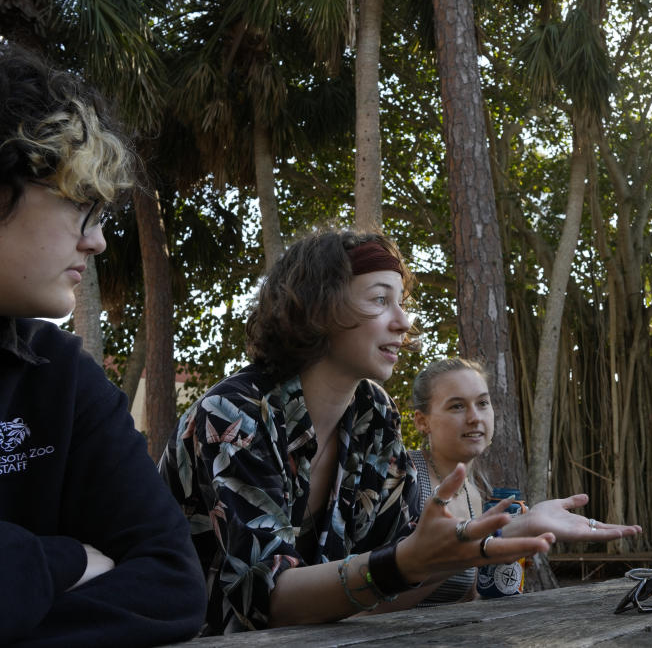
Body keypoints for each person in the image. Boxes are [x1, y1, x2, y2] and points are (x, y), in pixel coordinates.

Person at [0, 31, 206, 645]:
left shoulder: (56, 372)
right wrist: (61, 562)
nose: (96, 241)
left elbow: (173, 587)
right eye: (78, 203)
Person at [162, 227, 579, 634]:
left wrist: (493, 538)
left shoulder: (374, 414)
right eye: (381, 300)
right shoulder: (235, 414)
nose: (403, 322)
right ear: (318, 309)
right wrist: (405, 563)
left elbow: (381, 589)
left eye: (401, 302)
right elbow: (268, 602)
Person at [407, 357, 641, 603]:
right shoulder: (404, 476)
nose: (475, 417)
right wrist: (489, 545)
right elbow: (369, 601)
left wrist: (501, 559)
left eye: (483, 403)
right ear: (422, 421)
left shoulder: (474, 493)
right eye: (457, 406)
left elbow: (463, 598)